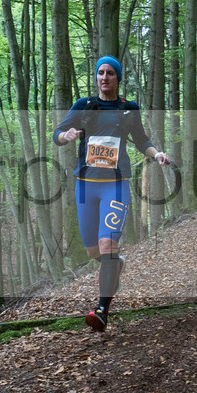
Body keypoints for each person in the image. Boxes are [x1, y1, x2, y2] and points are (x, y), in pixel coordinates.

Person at [53, 55, 171, 331]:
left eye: (110, 74)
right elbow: (57, 134)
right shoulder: (83, 106)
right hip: (85, 184)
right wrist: (66, 136)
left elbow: (141, 140)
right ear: (96, 77)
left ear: (118, 79)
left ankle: (102, 310)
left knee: (107, 246)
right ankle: (115, 265)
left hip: (115, 185)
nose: (104, 77)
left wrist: (157, 155)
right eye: (100, 73)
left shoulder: (129, 109)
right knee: (93, 249)